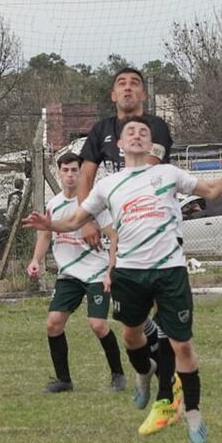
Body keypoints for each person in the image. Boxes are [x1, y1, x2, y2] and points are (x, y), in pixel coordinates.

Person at [24, 116, 222, 443]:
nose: (136, 135)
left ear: (150, 144)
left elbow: (212, 190)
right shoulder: (109, 185)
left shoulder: (167, 174)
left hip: (169, 270)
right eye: (130, 131)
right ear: (119, 144)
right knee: (132, 335)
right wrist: (51, 223)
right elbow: (75, 219)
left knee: (182, 344)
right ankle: (143, 373)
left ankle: (193, 414)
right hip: (129, 273)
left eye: (142, 132)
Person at [76, 67, 179, 420]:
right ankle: (143, 370)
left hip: (155, 229)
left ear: (144, 95)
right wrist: (90, 220)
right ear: (112, 94)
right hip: (118, 232)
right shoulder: (101, 130)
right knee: (131, 326)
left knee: (163, 310)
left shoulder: (154, 128)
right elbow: (86, 177)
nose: (128, 88)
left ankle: (169, 391)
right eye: (121, 84)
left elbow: (143, 175)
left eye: (135, 83)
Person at [26, 153, 125, 394]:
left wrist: (110, 270)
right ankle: (63, 380)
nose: (70, 175)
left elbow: (113, 237)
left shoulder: (93, 203)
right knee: (53, 323)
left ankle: (118, 375)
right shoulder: (54, 205)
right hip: (69, 274)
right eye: (65, 170)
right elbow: (46, 234)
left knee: (98, 325)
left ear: (82, 173)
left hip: (96, 273)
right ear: (59, 173)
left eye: (74, 170)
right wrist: (36, 259)